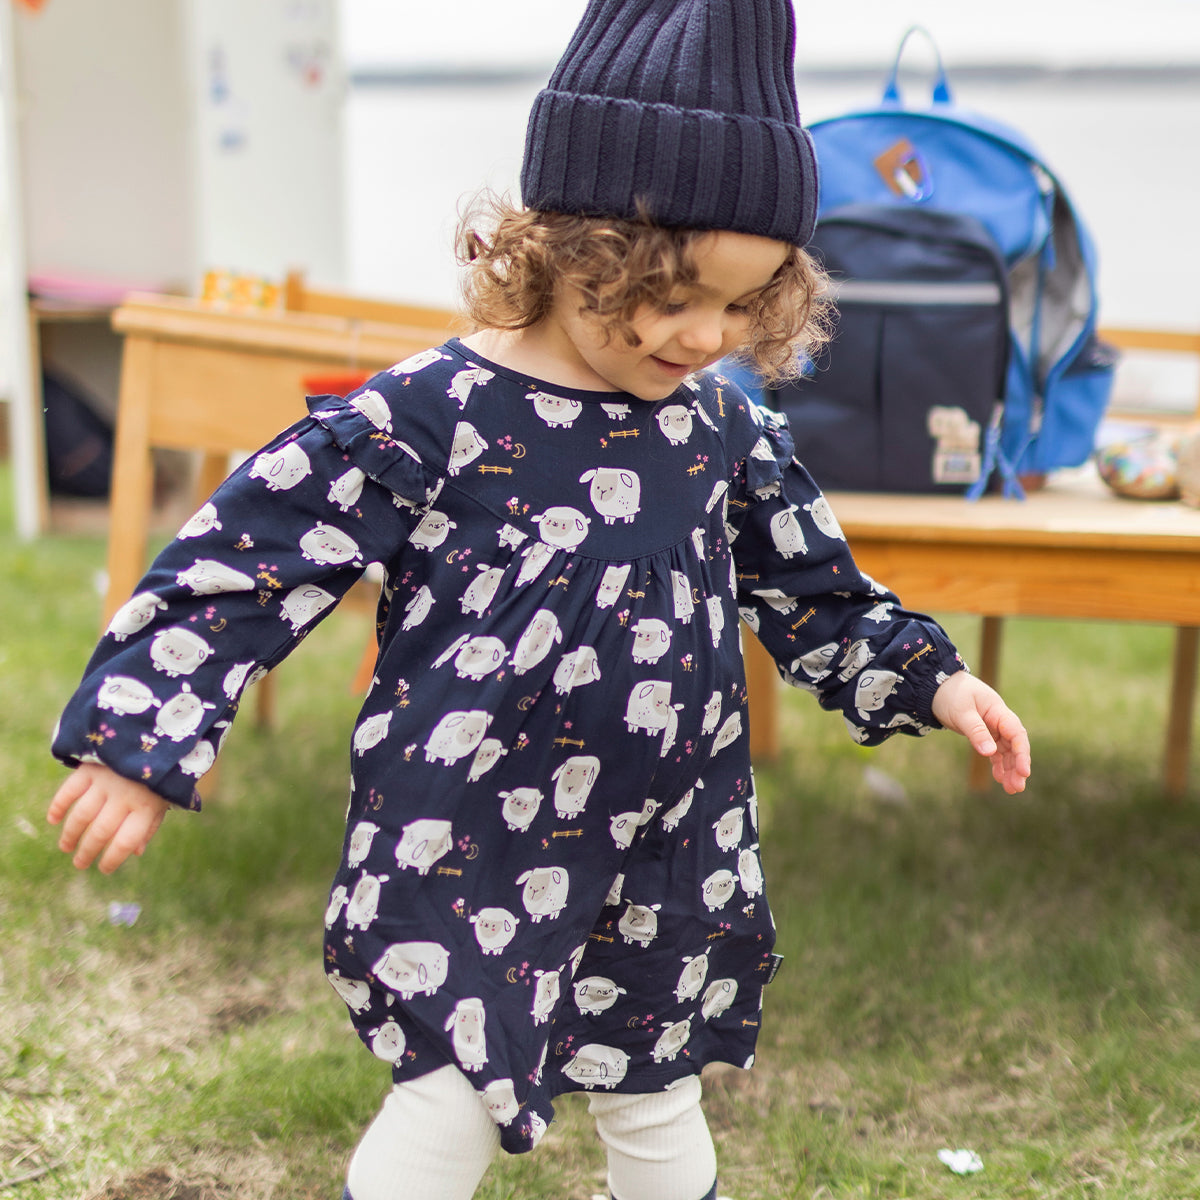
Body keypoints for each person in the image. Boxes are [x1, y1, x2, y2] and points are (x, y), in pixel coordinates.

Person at [46, 2, 1031, 1198]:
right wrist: (141, 737)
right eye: (673, 295)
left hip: (672, 846)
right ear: (570, 247)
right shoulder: (430, 415)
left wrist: (934, 677)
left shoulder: (722, 429)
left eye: (743, 302)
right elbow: (250, 556)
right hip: (466, 833)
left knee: (656, 1094)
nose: (705, 334)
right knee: (454, 1096)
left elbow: (814, 592)